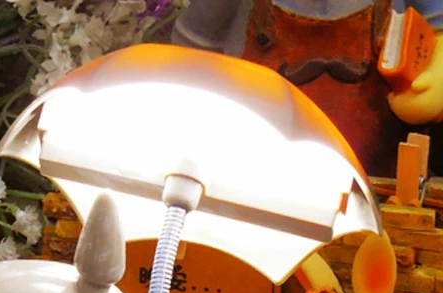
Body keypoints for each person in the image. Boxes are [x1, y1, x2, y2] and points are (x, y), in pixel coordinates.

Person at [172, 0, 443, 176]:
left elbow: (438, 25)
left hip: (377, 173)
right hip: (257, 168)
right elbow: (194, 46)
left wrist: (434, 79)